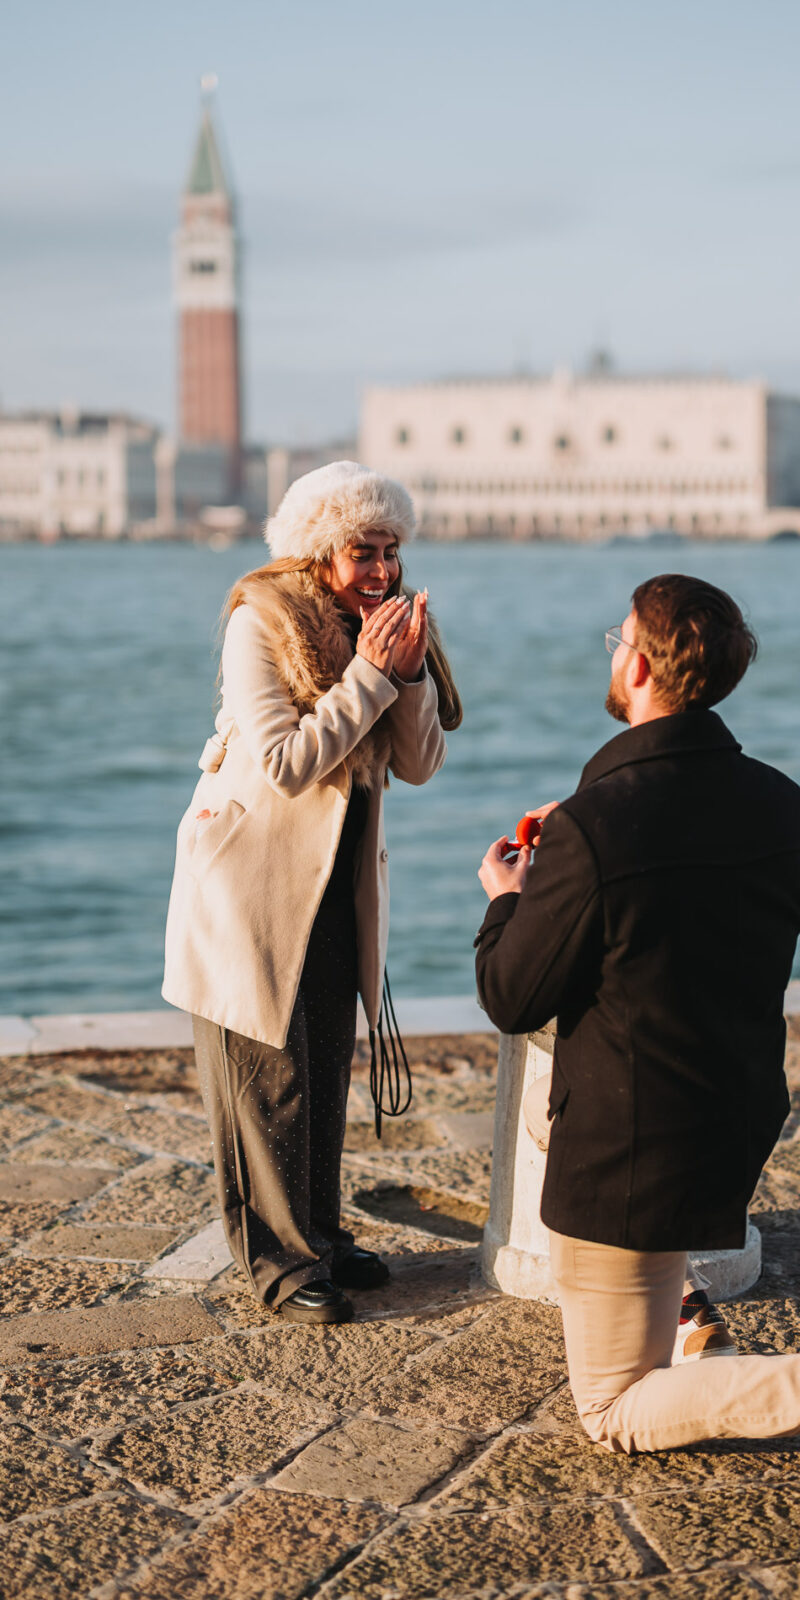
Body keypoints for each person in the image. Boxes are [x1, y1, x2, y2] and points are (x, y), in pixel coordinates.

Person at [474, 573, 800, 1515]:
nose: (612, 652)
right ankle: (684, 1316)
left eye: (616, 639)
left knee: (612, 1408)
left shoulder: (593, 829)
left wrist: (511, 898)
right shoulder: (780, 804)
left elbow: (513, 995)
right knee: (644, 1302)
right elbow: (683, 928)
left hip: (627, 1152)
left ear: (637, 665)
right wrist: (576, 867)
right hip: (732, 1115)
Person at [163, 461, 460, 1324]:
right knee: (264, 1074)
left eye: (391, 550)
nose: (380, 569)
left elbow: (418, 762)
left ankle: (320, 1236)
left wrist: (404, 677)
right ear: (316, 548)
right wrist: (371, 673)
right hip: (248, 879)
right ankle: (278, 1265)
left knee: (325, 1064)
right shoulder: (260, 621)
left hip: (336, 880)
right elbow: (289, 764)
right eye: (362, 550)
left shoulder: (390, 630)